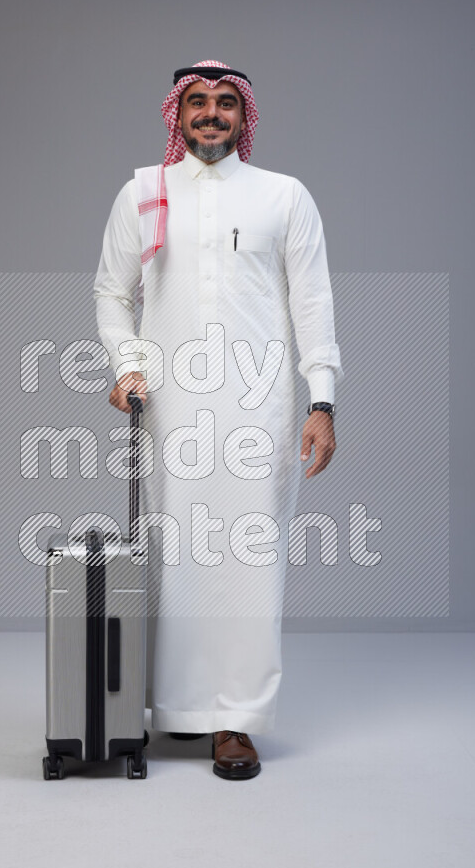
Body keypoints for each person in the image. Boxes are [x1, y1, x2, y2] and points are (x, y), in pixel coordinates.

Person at [94, 60, 343, 780]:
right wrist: (126, 365)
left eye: (225, 103)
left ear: (245, 116)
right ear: (176, 113)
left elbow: (314, 305)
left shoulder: (283, 197)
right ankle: (177, 710)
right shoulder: (144, 192)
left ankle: (235, 720)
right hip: (169, 408)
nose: (210, 114)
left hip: (258, 409)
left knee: (249, 560)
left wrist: (321, 400)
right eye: (197, 102)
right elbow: (113, 292)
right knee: (173, 556)